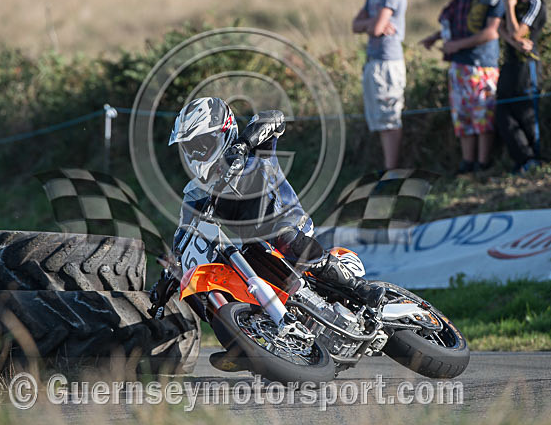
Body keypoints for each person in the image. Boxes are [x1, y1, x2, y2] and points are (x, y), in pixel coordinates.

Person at [158, 97, 385, 311]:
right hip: (253, 246)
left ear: (223, 132)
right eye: (189, 147)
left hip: (290, 225)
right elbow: (183, 236)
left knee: (283, 236)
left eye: (201, 143)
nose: (195, 153)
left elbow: (274, 117)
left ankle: (359, 287)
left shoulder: (253, 148)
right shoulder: (196, 191)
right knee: (230, 270)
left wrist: (243, 145)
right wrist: (167, 277)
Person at [420, 0, 506, 174]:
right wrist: (436, 37)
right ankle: (467, 163)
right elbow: (454, 18)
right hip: (460, 64)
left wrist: (456, 45)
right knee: (463, 116)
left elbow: (492, 32)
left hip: (483, 63)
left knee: (483, 115)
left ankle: (483, 163)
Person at [352, 0, 408, 170]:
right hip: (374, 61)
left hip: (388, 62)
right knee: (380, 121)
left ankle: (392, 171)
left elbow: (375, 28)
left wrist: (371, 25)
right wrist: (371, 24)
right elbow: (356, 25)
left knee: (389, 118)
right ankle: (387, 168)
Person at [496, 0, 547, 173]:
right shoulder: (515, 0)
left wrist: (509, 6)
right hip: (510, 63)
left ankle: (535, 158)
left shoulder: (536, 3)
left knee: (526, 114)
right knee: (503, 111)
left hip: (528, 67)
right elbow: (500, 28)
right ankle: (521, 159)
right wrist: (515, 43)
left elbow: (518, 32)